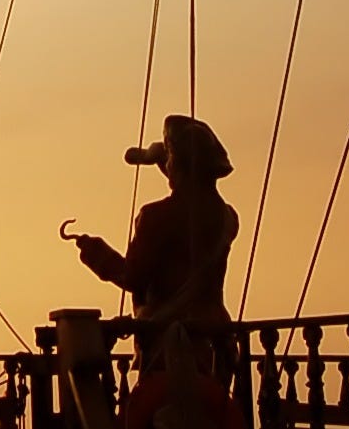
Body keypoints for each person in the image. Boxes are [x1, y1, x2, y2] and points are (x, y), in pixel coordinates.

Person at [66, 114, 241, 429]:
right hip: (213, 344)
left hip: (165, 348)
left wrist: (97, 254)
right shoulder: (228, 218)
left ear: (176, 165)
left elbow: (133, 277)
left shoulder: (156, 217)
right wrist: (163, 157)